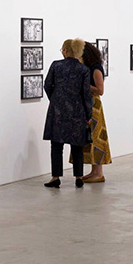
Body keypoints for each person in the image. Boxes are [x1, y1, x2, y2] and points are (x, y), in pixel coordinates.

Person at [42, 38, 92, 189]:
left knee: (56, 145)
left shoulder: (56, 66)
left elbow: (47, 84)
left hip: (57, 111)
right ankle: (78, 177)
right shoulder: (83, 70)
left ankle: (56, 177)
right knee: (77, 146)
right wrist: (88, 114)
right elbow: (86, 94)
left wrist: (55, 99)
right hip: (78, 112)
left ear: (65, 50)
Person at [73, 42, 112, 182]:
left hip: (94, 106)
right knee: (90, 138)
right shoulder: (88, 67)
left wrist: (84, 85)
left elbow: (100, 90)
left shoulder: (96, 68)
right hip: (87, 104)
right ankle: (94, 171)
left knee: (96, 138)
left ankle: (99, 173)